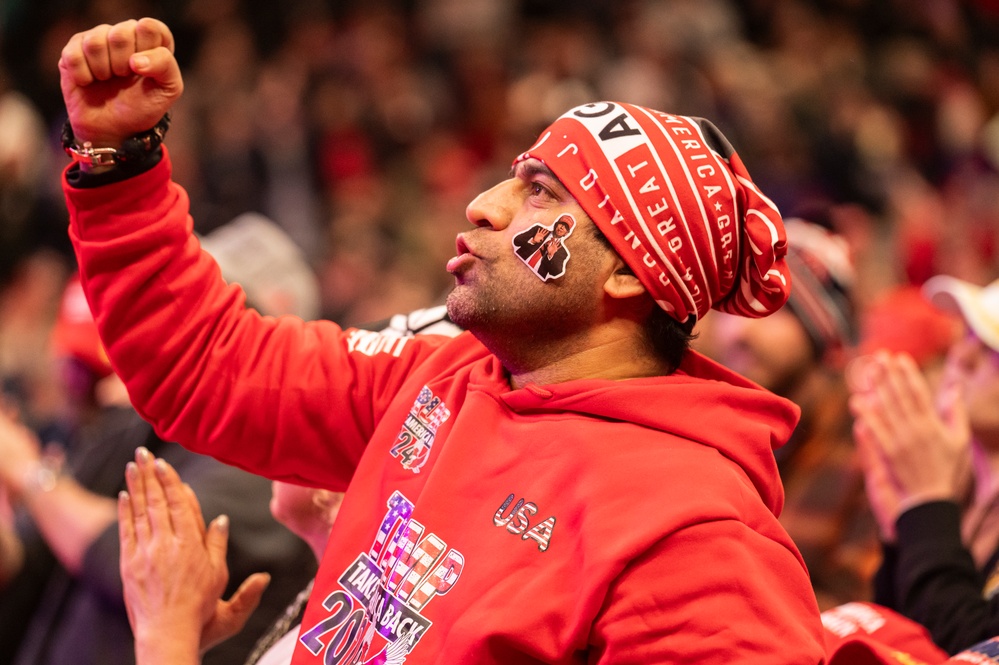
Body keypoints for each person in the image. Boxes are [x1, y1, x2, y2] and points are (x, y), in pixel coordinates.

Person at [57, 17, 825, 663]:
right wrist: (121, 160)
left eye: (541, 192)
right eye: (513, 175)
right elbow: (207, 366)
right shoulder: (446, 374)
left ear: (627, 275)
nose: (486, 204)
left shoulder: (702, 539)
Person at [0, 275, 319, 665]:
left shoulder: (260, 455)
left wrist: (28, 472)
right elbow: (28, 559)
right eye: (81, 374)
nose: (101, 392)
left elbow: (136, 563)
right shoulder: (132, 428)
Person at [697, 217, 879, 609]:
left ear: (824, 331)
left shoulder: (868, 448)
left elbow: (850, 612)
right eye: (731, 307)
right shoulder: (698, 418)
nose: (739, 332)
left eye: (770, 309)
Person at [848, 274, 999, 654]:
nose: (961, 357)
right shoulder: (962, 478)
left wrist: (926, 507)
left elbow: (976, 650)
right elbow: (896, 638)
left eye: (991, 349)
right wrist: (902, 535)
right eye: (966, 336)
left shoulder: (941, 485)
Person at [511, 214, 575, 281]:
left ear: (566, 233)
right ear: (556, 224)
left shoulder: (563, 252)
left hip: (534, 280)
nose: (562, 227)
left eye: (566, 227)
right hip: (515, 262)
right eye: (561, 224)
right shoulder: (539, 230)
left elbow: (555, 273)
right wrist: (532, 241)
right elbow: (516, 241)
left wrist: (550, 256)